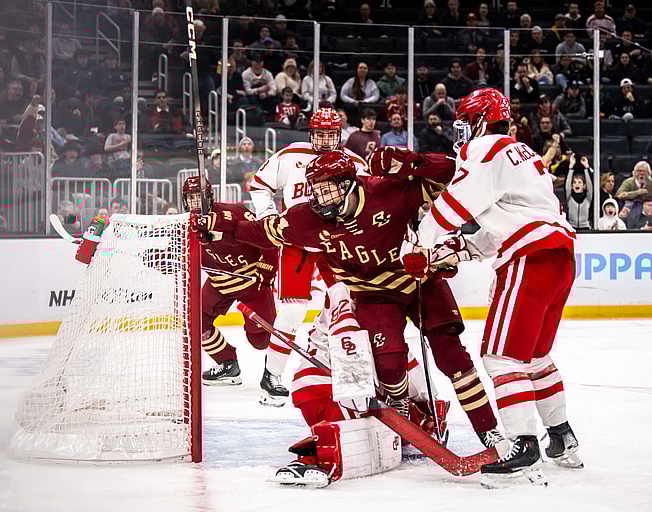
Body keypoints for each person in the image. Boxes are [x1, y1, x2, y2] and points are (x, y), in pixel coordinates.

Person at [199, 149, 507, 459]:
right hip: (373, 294)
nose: (319, 198)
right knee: (389, 364)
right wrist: (222, 228)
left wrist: (412, 161)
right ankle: (402, 407)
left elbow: (450, 173)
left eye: (327, 189)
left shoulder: (385, 191)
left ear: (348, 183)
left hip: (419, 281)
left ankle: (489, 431)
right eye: (315, 190)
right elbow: (263, 233)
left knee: (453, 357)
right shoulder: (306, 218)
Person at [412, 88, 582, 487]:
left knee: (501, 358)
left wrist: (420, 244)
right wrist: (462, 250)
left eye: (466, 123)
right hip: (559, 257)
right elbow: (507, 221)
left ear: (480, 121)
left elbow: (456, 204)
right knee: (534, 357)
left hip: (530, 260)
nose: (462, 133)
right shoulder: (525, 155)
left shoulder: (485, 148)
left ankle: (523, 445)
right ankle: (562, 437)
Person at [273, 281, 449, 487]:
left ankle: (422, 420)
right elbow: (347, 344)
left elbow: (401, 361)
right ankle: (312, 459)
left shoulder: (377, 297)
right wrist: (361, 406)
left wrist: (431, 404)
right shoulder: (343, 292)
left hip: (350, 386)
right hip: (323, 389)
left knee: (396, 401)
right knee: (359, 427)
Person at [247, 107, 367, 405]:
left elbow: (370, 199)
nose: (325, 141)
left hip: (335, 242)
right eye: (320, 134)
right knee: (292, 312)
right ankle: (272, 374)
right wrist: (268, 216)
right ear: (311, 133)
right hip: (296, 241)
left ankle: (350, 370)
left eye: (331, 135)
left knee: (346, 302)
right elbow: (259, 185)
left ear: (339, 135)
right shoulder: (291, 155)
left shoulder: (353, 163)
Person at [181, 176, 282, 396]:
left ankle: (274, 370)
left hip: (252, 282)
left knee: (259, 340)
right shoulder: (185, 225)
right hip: (219, 283)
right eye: (190, 198)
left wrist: (266, 271)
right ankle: (227, 364)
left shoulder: (234, 212)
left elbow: (267, 237)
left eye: (199, 197)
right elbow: (178, 255)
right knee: (195, 321)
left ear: (209, 197)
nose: (195, 203)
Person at [564, 154, 593, 230]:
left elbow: (590, 185)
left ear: (584, 186)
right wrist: (571, 167)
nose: (577, 184)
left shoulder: (588, 198)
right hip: (571, 228)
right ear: (572, 185)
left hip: (585, 228)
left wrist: (586, 167)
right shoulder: (569, 197)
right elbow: (567, 186)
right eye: (574, 182)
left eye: (579, 182)